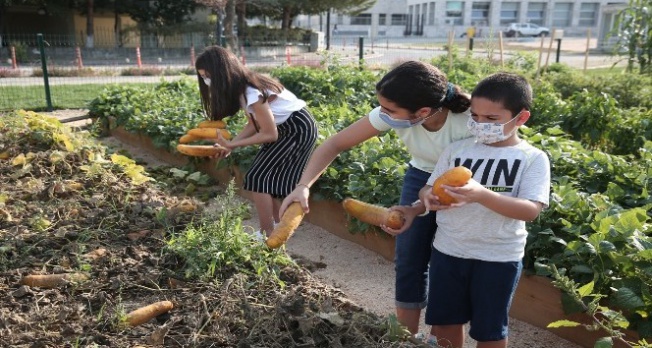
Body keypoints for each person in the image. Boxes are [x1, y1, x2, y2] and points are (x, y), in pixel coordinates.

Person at [279, 60, 472, 337]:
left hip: (462, 183)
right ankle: (405, 337)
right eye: (382, 106)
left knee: (448, 262)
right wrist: (303, 186)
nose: (383, 114)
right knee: (409, 259)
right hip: (420, 175)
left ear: (424, 112)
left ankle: (442, 338)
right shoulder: (394, 112)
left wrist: (427, 204)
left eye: (390, 110)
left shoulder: (468, 123)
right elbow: (335, 144)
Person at [412, 72, 551, 348]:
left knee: (489, 330)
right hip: (449, 251)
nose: (480, 124)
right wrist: (430, 197)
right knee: (444, 322)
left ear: (521, 118)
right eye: (475, 116)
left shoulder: (532, 159)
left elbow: (530, 210)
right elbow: (427, 188)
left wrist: (481, 195)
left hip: (498, 258)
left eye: (491, 119)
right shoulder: (456, 150)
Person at [195, 45, 318, 239]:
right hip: (287, 128)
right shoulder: (242, 90)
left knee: (257, 178)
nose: (206, 81)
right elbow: (254, 124)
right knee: (269, 181)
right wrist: (229, 145)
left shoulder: (251, 91)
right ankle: (278, 230)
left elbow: (270, 134)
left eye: (207, 75)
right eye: (202, 77)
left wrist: (233, 145)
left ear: (221, 72)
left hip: (296, 129)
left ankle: (267, 233)